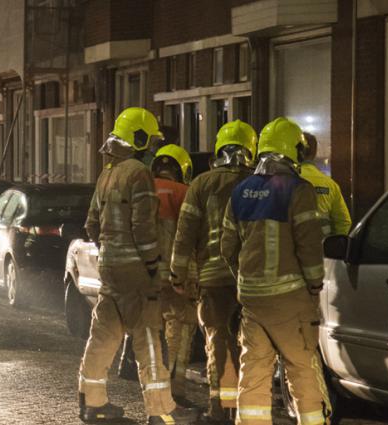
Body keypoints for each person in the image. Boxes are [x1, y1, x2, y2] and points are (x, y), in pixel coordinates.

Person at [78, 107, 196, 425]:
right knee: (148, 338)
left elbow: (91, 224)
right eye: (151, 141)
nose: (153, 148)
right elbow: (143, 226)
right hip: (136, 274)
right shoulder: (138, 173)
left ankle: (92, 403)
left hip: (109, 269)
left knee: (103, 336)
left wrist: (110, 250)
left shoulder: (106, 174)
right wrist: (152, 265)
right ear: (140, 138)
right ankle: (161, 410)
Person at [220, 117, 329, 425]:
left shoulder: (240, 191)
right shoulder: (298, 190)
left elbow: (227, 247)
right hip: (290, 300)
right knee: (302, 368)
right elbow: (309, 246)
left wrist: (245, 278)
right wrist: (315, 284)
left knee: (253, 373)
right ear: (292, 150)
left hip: (252, 300)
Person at [170, 120, 257, 423]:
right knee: (252, 347)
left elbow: (185, 234)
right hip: (253, 280)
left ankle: (221, 409)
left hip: (213, 279)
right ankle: (250, 409)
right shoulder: (259, 185)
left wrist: (178, 274)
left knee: (218, 344)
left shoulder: (201, 184)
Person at [151, 144, 198, 408]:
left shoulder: (141, 190)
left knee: (150, 332)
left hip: (146, 275)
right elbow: (190, 236)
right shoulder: (184, 193)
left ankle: (153, 388)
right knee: (180, 330)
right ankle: (173, 389)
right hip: (176, 276)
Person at [299, 132, 351, 237]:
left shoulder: (286, 180)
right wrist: (334, 243)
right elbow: (344, 221)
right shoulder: (330, 184)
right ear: (314, 153)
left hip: (295, 245)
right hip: (322, 245)